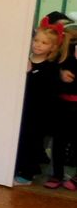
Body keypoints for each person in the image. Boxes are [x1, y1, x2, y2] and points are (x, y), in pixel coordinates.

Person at [13, 21, 62, 185]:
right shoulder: (24, 59)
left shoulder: (51, 67)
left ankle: (27, 174)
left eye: (44, 43)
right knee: (18, 140)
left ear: (52, 47)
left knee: (31, 142)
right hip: (20, 109)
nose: (38, 45)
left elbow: (45, 90)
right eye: (36, 40)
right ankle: (17, 168)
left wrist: (29, 73)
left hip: (37, 113)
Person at [46, 14, 77, 190]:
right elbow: (51, 69)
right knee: (59, 141)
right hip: (62, 104)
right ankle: (57, 174)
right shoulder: (60, 56)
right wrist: (60, 74)